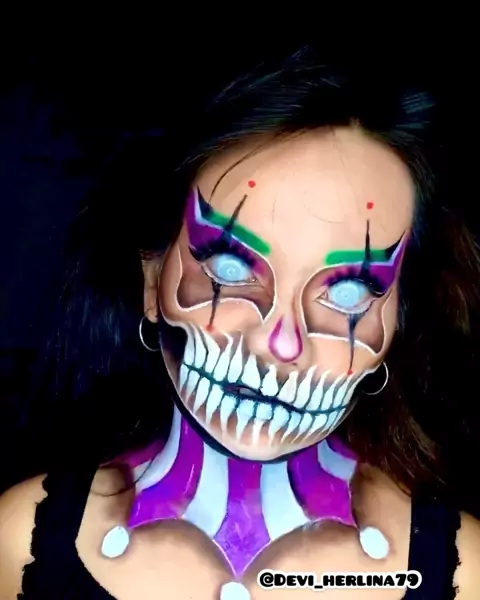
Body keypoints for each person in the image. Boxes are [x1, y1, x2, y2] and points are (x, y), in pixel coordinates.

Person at [1, 47, 480, 600]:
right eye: (230, 267)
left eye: (348, 292)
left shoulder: (464, 570)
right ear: (153, 277)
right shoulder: (20, 538)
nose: (282, 341)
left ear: (397, 324)